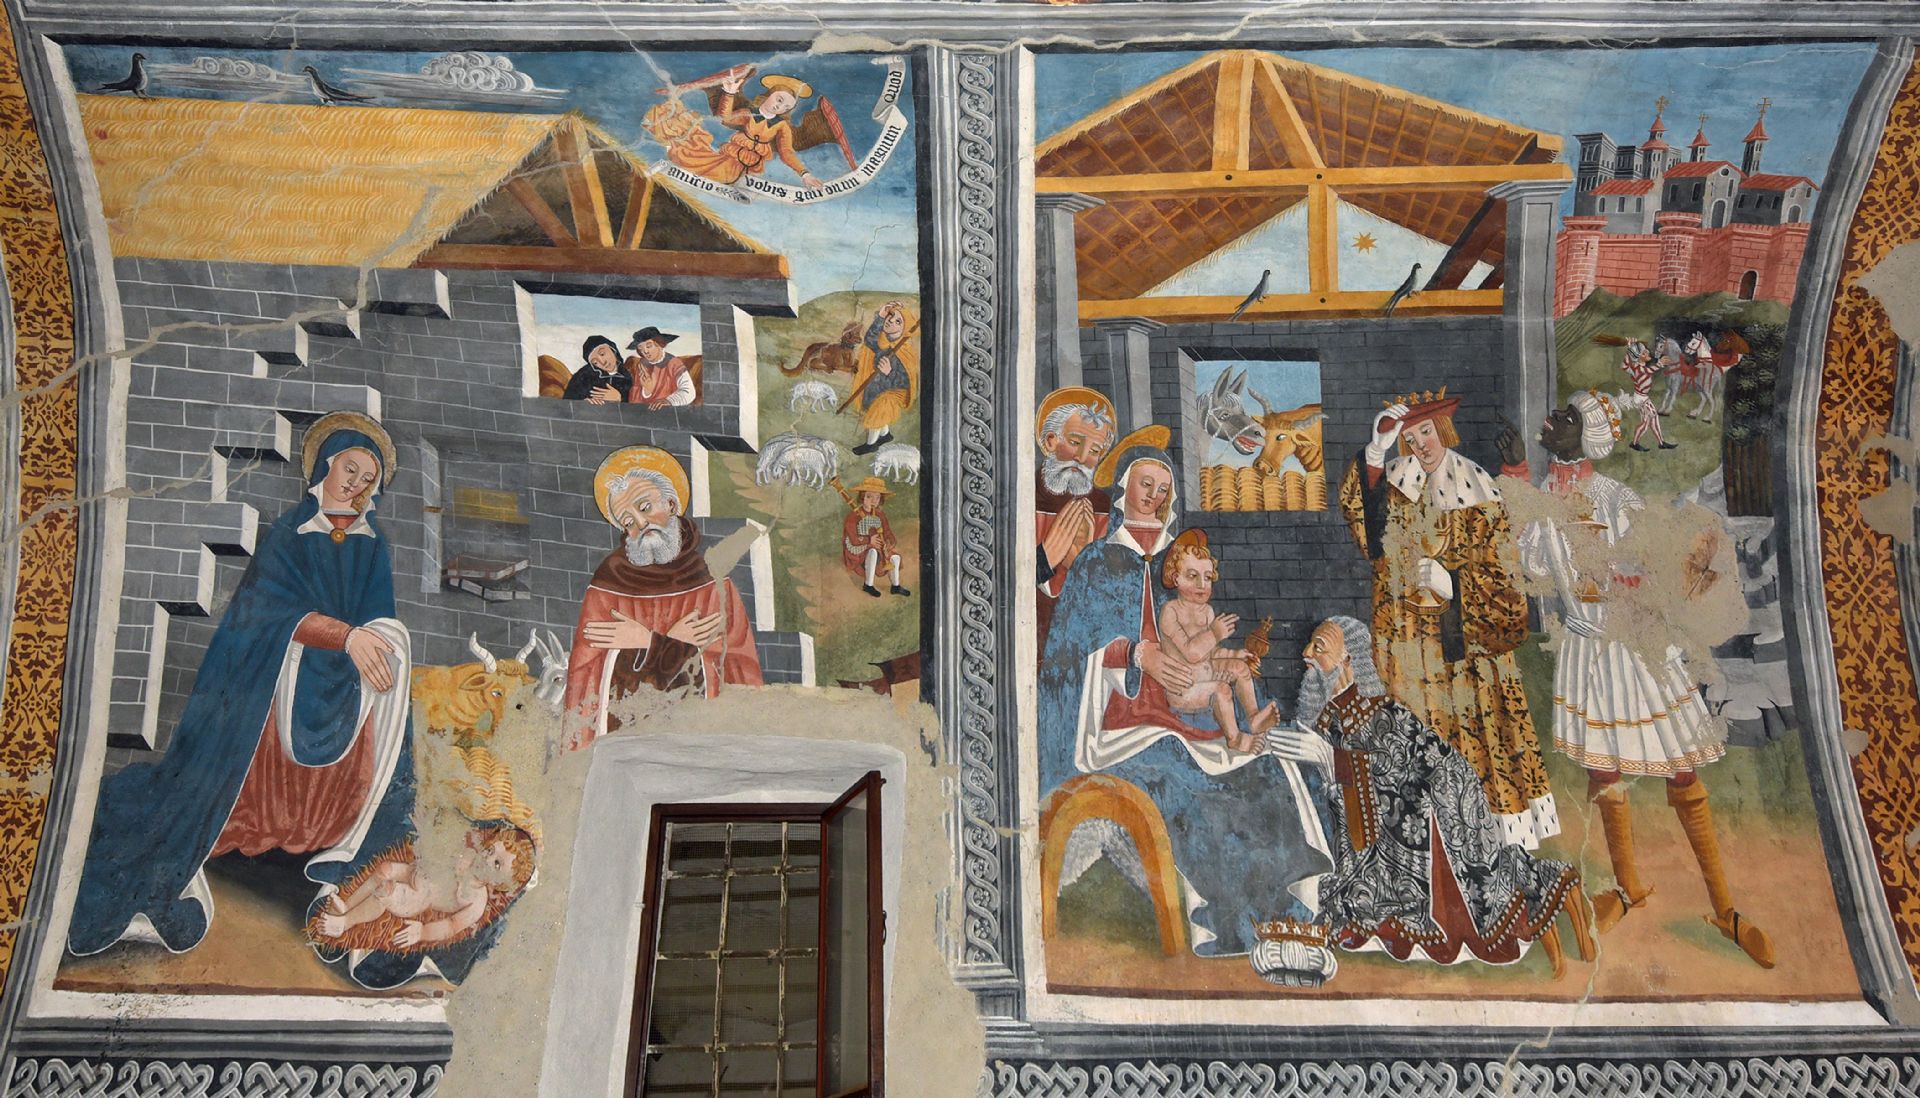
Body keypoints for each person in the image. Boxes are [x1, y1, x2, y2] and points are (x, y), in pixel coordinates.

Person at [68, 412, 414, 962]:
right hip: (279, 673)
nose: (357, 484)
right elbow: (262, 613)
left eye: (368, 479)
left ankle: (325, 851)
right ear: (326, 466)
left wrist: (375, 639)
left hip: (345, 686)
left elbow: (381, 615)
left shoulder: (372, 544)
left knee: (388, 687)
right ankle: (231, 834)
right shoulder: (288, 534)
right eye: (351, 469)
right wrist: (343, 636)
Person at [1038, 430, 1336, 985]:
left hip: (1188, 709)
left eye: (1163, 488)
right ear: (1123, 490)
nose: (1154, 496)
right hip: (1120, 719)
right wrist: (1136, 653)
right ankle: (1234, 923)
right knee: (1184, 780)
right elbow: (1071, 647)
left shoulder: (1179, 561)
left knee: (1266, 767)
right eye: (1145, 485)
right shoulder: (1100, 561)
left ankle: (1284, 912)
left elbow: (1204, 643)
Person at [1506, 392, 1774, 968]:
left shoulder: (1614, 497)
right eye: (1558, 414)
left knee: (1681, 769)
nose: (1551, 420)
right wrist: (1518, 481)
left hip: (1634, 643)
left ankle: (1726, 909)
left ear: (1586, 439)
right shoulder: (1545, 493)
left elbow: (1652, 567)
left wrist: (1628, 574)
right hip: (1585, 647)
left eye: (1566, 418)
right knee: (1604, 769)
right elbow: (1533, 566)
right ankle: (1629, 888)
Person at [1269, 617, 1592, 973]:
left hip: (1437, 816)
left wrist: (1334, 760)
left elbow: (1403, 768)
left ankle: (1549, 900)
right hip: (1383, 833)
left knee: (1459, 901)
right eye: (1310, 645)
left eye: (1319, 648)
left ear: (1348, 659)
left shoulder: (1382, 712)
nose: (1306, 654)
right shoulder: (1328, 717)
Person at [1337, 389, 1557, 848]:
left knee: (1475, 749)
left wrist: (1455, 583)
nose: (1421, 444)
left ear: (1443, 429)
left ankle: (1487, 846)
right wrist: (1376, 451)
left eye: (1426, 431)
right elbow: (1367, 535)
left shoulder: (1477, 487)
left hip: (1467, 655)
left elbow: (1505, 575)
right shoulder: (1395, 482)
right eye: (1410, 437)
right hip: (1407, 649)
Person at [562, 447, 763, 749]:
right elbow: (586, 681)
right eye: (628, 522)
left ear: (671, 503)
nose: (641, 524)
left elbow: (739, 671)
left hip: (698, 745)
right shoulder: (607, 589)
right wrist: (670, 644)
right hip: (626, 748)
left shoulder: (713, 585)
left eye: (645, 507)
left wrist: (650, 642)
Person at [311, 824, 535, 952]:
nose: (487, 858)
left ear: (500, 884)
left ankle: (344, 923)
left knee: (386, 891)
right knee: (385, 869)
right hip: (416, 871)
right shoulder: (470, 855)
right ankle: (346, 905)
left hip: (418, 896)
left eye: (497, 864)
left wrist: (423, 932)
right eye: (490, 850)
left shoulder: (476, 900)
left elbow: (451, 926)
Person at [1154, 530, 1278, 751]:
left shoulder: (1208, 611)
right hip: (1183, 689)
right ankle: (1235, 738)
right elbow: (1191, 653)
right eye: (1192, 576)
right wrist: (1214, 634)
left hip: (1206, 671)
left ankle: (1254, 718)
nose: (1202, 584)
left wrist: (1235, 655)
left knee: (1240, 668)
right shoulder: (1170, 611)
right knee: (1221, 689)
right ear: (1176, 578)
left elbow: (1210, 653)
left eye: (1208, 577)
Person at [1034, 386, 1117, 647]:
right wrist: (1043, 560)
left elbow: (1111, 594)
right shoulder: (1021, 498)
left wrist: (1083, 564)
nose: (1082, 458)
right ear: (1050, 441)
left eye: (1094, 451)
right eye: (1075, 442)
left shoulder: (1103, 508)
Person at [670, 71, 827, 189]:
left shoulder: (781, 125)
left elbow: (786, 152)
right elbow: (725, 118)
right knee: (706, 168)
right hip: (731, 159)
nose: (780, 107)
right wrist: (729, 94)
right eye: (779, 100)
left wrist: (805, 174)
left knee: (738, 181)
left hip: (751, 167)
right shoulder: (749, 113)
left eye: (786, 107)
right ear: (770, 94)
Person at [846, 301, 918, 456]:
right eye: (890, 316)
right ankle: (885, 435)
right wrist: (880, 316)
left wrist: (889, 372)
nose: (891, 321)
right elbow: (870, 340)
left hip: (895, 391)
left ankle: (871, 444)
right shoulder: (882, 341)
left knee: (879, 409)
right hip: (879, 386)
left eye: (898, 321)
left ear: (904, 328)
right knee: (873, 404)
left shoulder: (905, 351)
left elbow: (906, 382)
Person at [831, 475, 909, 598]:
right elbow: (853, 539)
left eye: (877, 497)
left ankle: (895, 586)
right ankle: (868, 585)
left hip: (879, 549)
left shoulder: (880, 515)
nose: (873, 501)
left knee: (895, 558)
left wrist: (889, 543)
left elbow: (888, 533)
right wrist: (869, 541)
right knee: (872, 552)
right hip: (859, 551)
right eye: (869, 496)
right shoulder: (853, 516)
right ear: (862, 497)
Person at [1619, 337, 1675, 451]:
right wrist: (1659, 364)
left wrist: (1630, 348)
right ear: (1638, 357)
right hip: (1641, 399)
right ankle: (1635, 443)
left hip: (1642, 398)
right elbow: (1648, 371)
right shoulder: (1639, 368)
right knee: (1646, 423)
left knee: (1653, 419)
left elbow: (1624, 366)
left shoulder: (1636, 367)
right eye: (1644, 352)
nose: (1648, 352)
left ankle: (1661, 442)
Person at [626, 326, 696, 409]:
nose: (645, 351)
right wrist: (647, 391)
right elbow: (635, 393)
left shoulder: (673, 363)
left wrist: (667, 401)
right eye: (641, 349)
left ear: (659, 344)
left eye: (649, 346)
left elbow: (688, 392)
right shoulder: (642, 364)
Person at [563, 335, 632, 404]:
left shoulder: (627, 376)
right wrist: (583, 403)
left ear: (613, 349)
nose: (603, 362)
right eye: (595, 362)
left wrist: (619, 398)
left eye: (602, 354)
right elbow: (567, 402)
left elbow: (634, 405)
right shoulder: (584, 375)